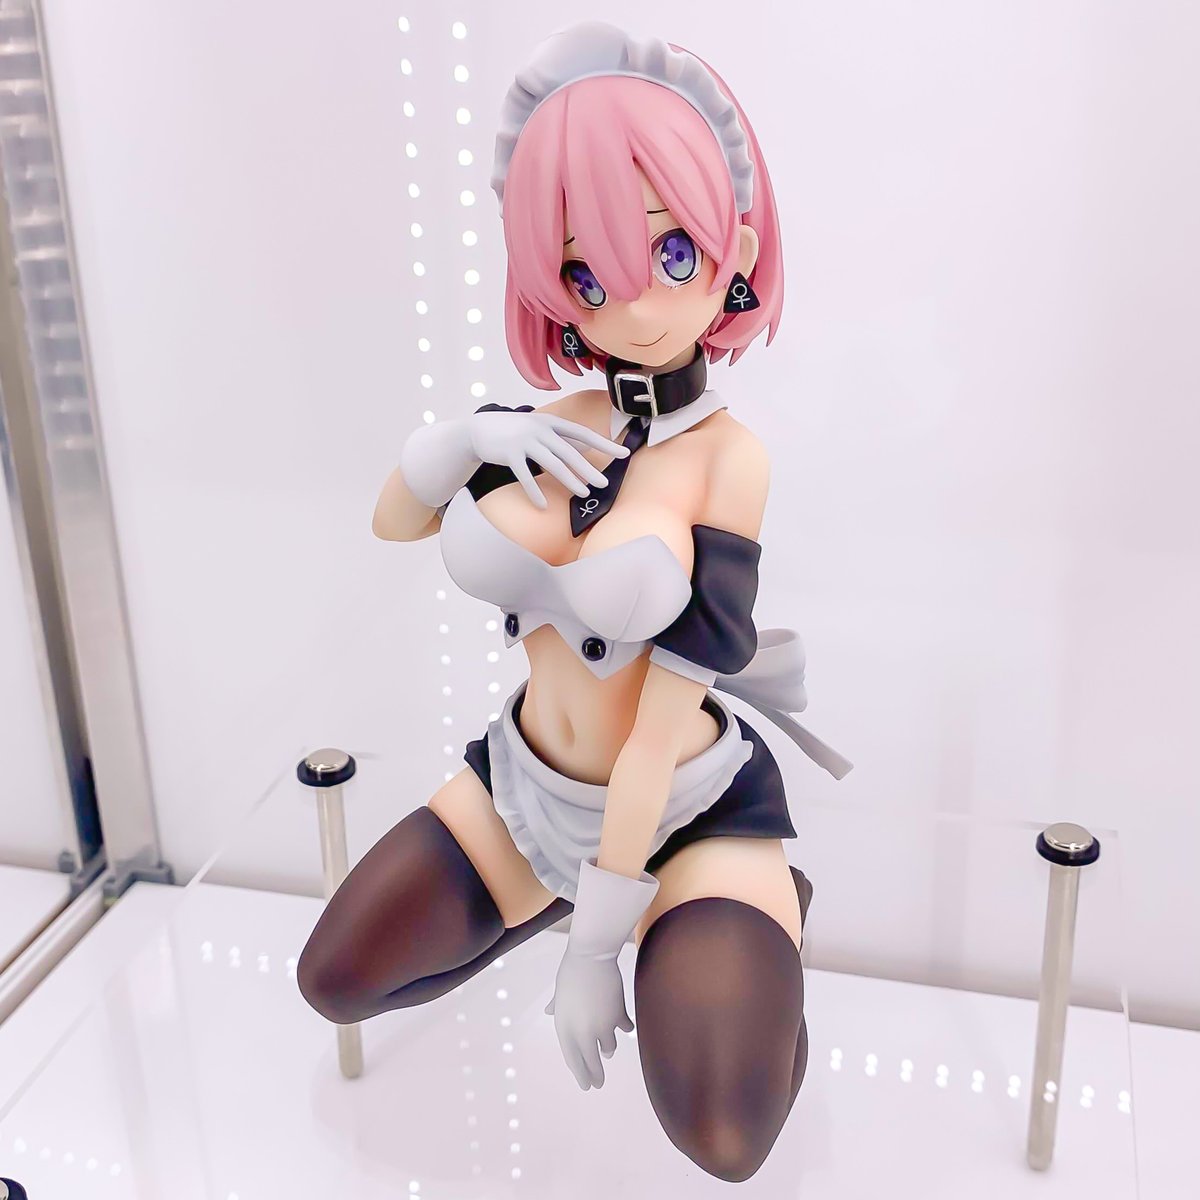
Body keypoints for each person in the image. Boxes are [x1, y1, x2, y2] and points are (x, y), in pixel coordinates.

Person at [297, 20, 849, 1183]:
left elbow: (655, 727)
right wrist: (460, 441)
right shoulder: (548, 425)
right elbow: (396, 522)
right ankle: (540, 903)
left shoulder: (727, 461)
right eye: (588, 275)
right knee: (335, 977)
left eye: (673, 253)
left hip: (684, 810)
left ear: (737, 247)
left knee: (723, 1134)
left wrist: (600, 940)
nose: (631, 307)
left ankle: (764, 910)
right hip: (524, 786)